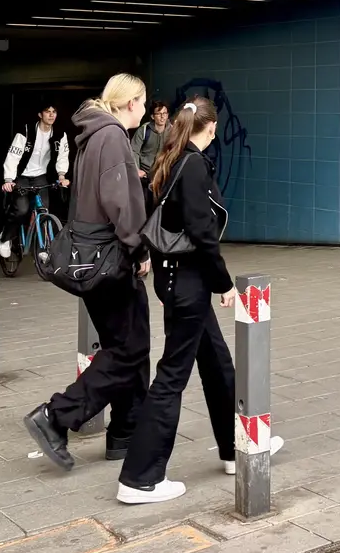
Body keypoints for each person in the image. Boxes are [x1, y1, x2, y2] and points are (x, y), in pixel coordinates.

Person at [116, 97, 282, 504]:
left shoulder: (171, 160)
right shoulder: (191, 165)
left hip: (178, 282)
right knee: (172, 376)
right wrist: (224, 283)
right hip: (188, 283)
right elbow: (202, 231)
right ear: (209, 128)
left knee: (217, 364)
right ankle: (139, 478)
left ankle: (233, 447)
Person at [24, 75, 153, 471]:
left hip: (91, 257)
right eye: (144, 102)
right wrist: (139, 247)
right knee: (129, 348)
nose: (146, 111)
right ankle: (56, 417)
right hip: (112, 257)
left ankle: (127, 432)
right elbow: (121, 202)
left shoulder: (92, 133)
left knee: (128, 343)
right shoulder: (112, 136)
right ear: (130, 102)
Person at [0, 104, 72, 258]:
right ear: (40, 114)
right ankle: (5, 238)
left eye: (54, 112)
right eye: (47, 111)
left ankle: (45, 248)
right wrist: (8, 179)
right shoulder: (26, 131)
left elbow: (62, 156)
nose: (51, 115)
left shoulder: (59, 134)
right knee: (21, 210)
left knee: (44, 210)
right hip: (22, 176)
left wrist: (61, 175)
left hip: (40, 176)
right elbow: (13, 155)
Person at [131, 101, 170, 199]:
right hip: (144, 176)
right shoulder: (144, 130)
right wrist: (137, 169)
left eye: (165, 113)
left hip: (162, 176)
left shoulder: (172, 131)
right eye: (159, 113)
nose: (162, 117)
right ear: (153, 116)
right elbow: (134, 150)